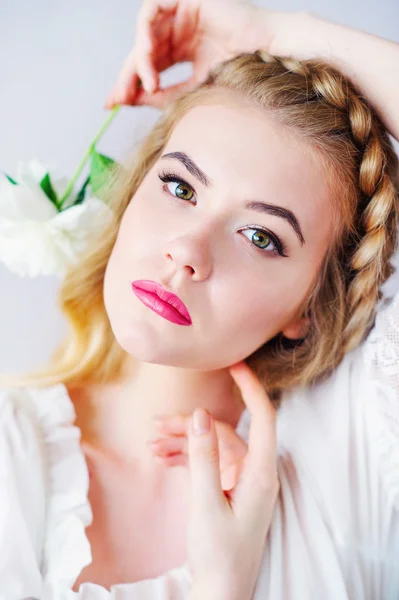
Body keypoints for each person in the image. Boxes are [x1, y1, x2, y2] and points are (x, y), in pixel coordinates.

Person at [1, 0, 399, 598]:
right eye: (180, 186)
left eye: (261, 236)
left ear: (309, 307)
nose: (188, 248)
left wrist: (280, 32)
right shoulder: (13, 450)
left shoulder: (343, 453)